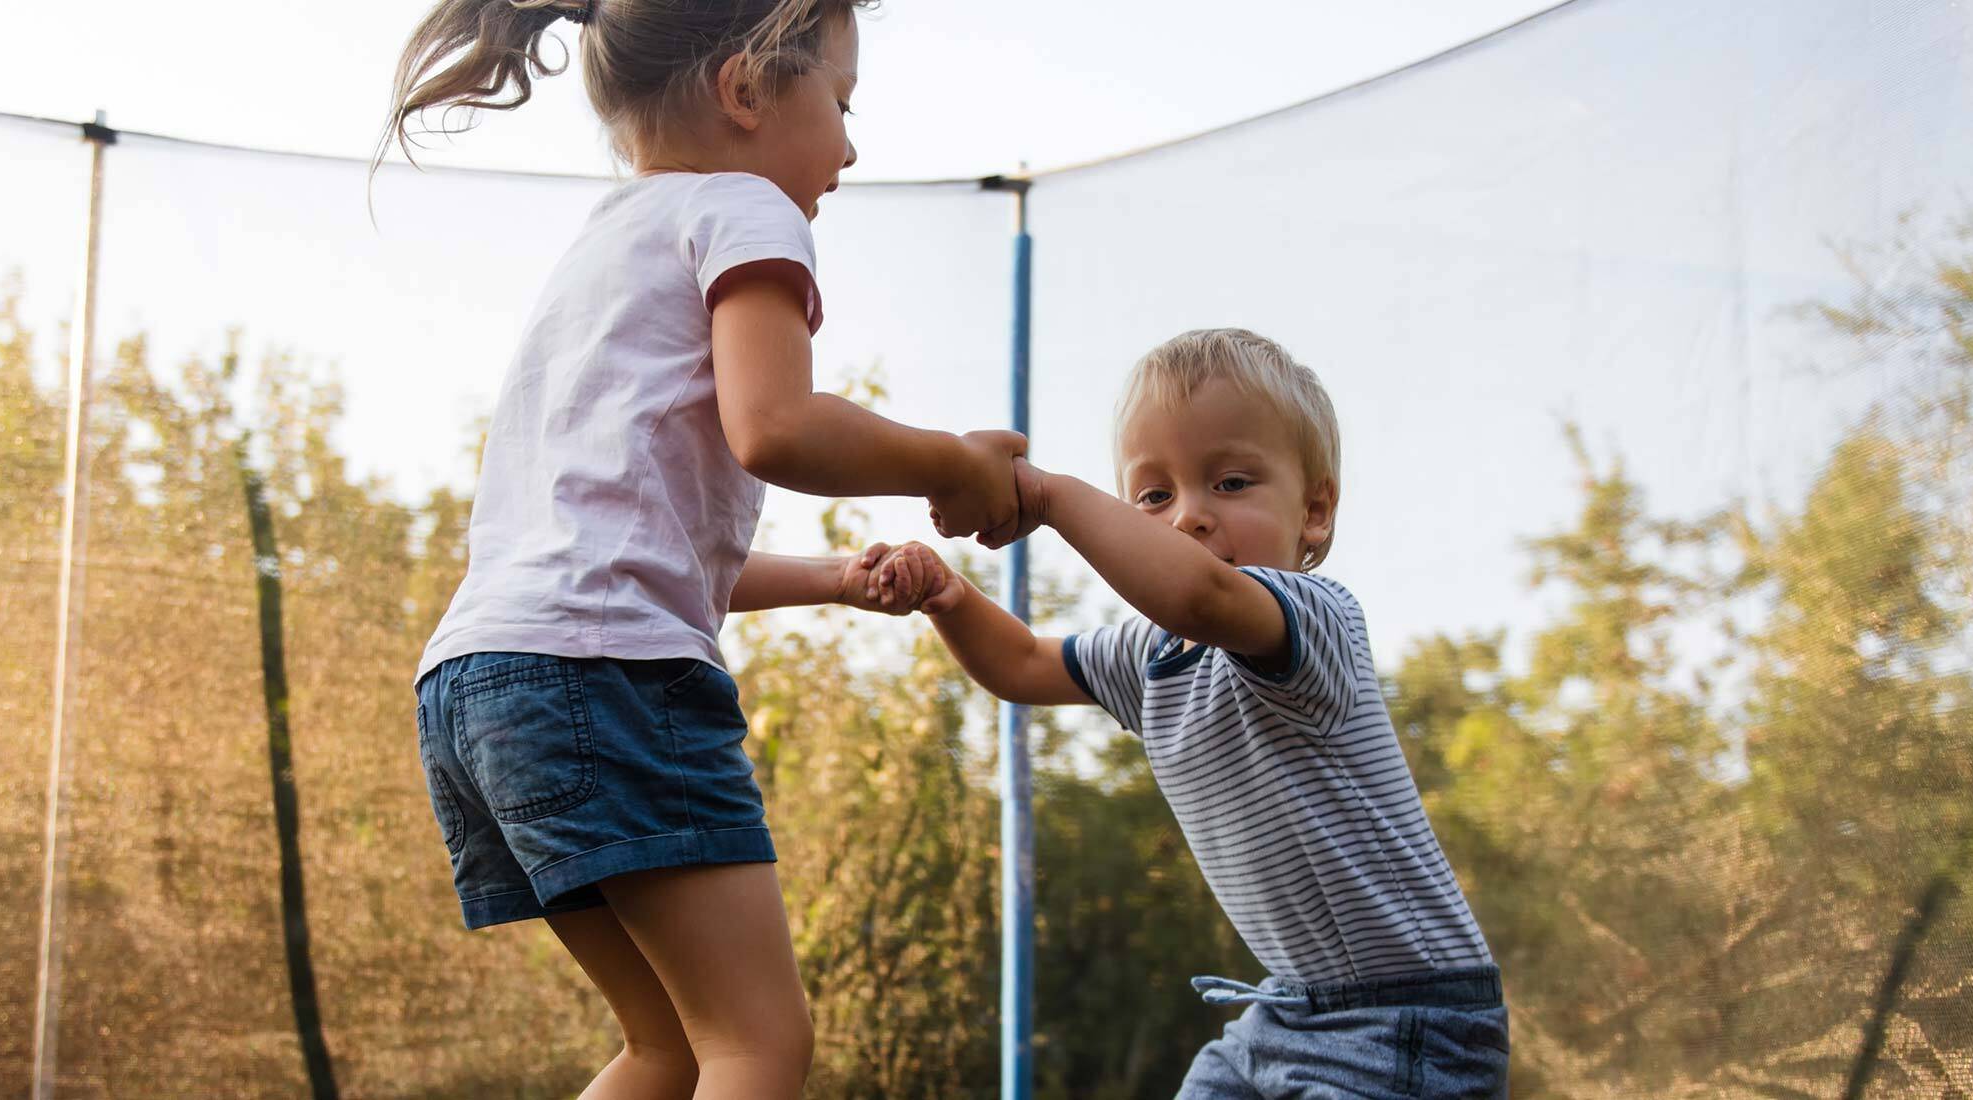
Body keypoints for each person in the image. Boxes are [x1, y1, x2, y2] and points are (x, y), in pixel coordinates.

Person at [380, 1, 1028, 1096]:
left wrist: (830, 578)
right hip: (601, 679)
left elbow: (627, 543)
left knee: (667, 1047)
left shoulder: (601, 248)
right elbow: (773, 425)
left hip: (482, 684)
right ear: (743, 92)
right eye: (840, 99)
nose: (850, 144)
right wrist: (949, 465)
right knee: (756, 1044)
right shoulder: (743, 207)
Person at [870, 328, 1510, 1098]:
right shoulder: (1153, 656)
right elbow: (1024, 663)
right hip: (1285, 1011)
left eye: (1231, 483)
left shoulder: (1314, 619)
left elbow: (1199, 596)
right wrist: (950, 597)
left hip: (1411, 1020)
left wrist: (1050, 494)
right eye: (1154, 496)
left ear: (1314, 509)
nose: (1188, 519)